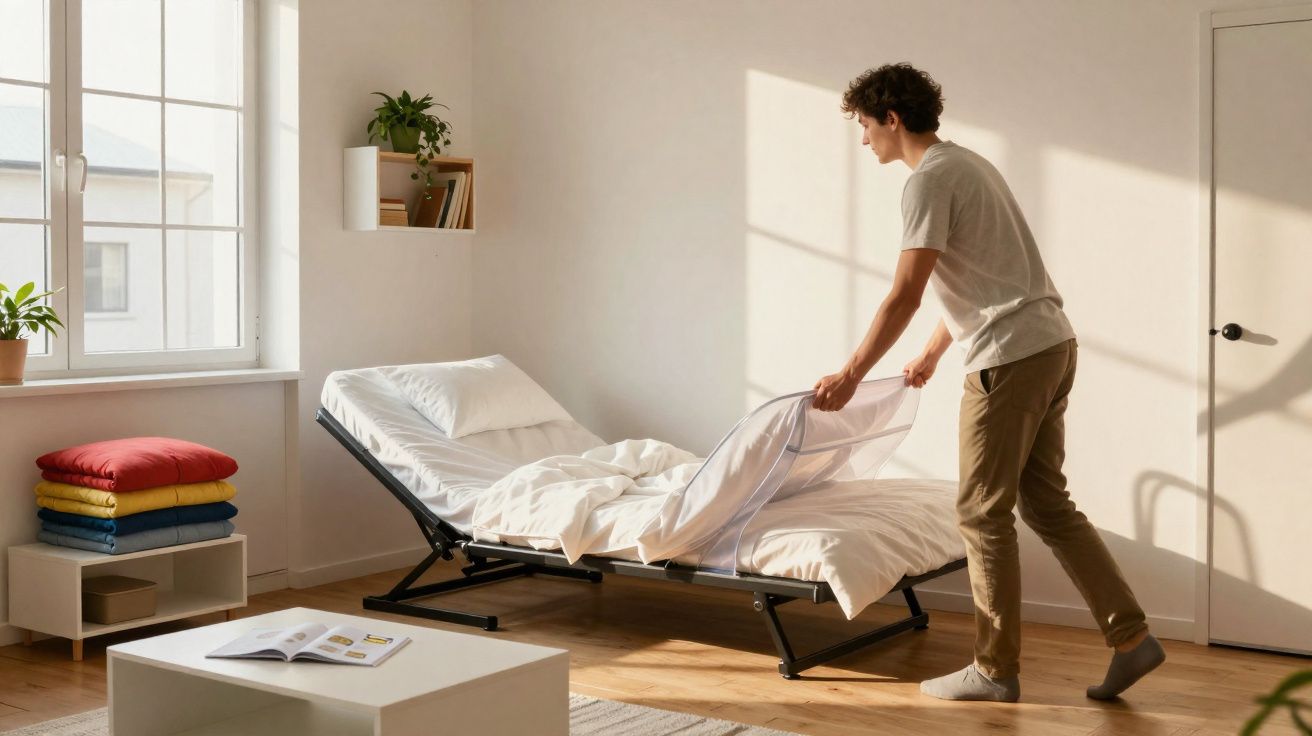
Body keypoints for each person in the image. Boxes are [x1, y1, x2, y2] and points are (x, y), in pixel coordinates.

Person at [811, 63, 1164, 703]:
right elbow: (985, 275)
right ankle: (1132, 639)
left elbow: (905, 294)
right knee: (1048, 506)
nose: (863, 141)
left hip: (1009, 358)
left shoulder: (927, 183)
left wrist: (850, 373)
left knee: (980, 511)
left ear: (891, 119)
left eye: (864, 126)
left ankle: (994, 668)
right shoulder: (968, 165)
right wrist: (931, 355)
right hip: (1050, 343)